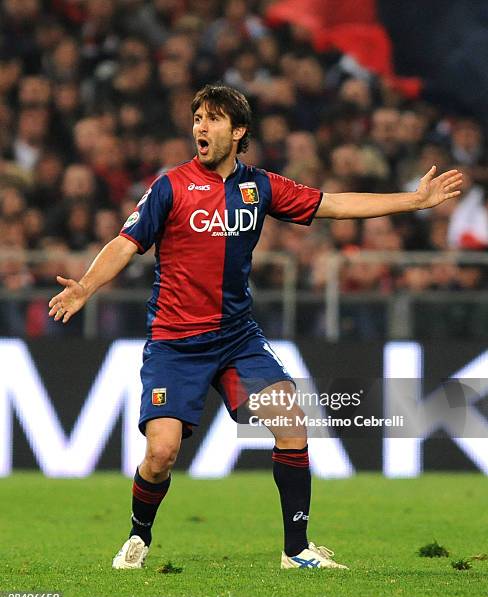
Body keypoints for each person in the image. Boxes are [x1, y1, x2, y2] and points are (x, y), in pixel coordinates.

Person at [48, 84, 462, 571]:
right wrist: (85, 287)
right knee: (160, 454)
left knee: (290, 422)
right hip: (175, 342)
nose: (201, 126)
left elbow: (334, 204)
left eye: (214, 119)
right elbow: (125, 242)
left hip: (236, 339)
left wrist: (412, 202)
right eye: (198, 117)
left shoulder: (259, 187)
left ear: (238, 131)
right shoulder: (170, 186)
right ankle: (138, 536)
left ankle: (296, 549)